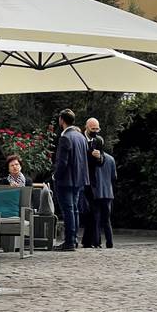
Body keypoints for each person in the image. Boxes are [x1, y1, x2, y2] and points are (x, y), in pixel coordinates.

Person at [54, 108, 89, 251]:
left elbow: (63, 162)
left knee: (68, 210)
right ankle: (73, 239)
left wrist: (55, 175)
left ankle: (69, 241)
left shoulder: (65, 137)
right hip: (79, 179)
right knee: (74, 209)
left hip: (66, 179)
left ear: (62, 120)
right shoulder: (81, 137)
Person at [81, 118, 105, 249]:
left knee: (95, 210)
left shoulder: (99, 141)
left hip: (92, 180)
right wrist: (90, 154)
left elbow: (102, 162)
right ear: (87, 127)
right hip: (80, 178)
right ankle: (84, 239)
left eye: (97, 129)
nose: (95, 132)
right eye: (93, 129)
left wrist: (99, 157)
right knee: (83, 210)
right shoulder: (80, 138)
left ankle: (94, 241)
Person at [93, 143, 118, 249]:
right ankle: (109, 242)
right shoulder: (111, 159)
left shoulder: (93, 160)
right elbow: (114, 176)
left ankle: (97, 242)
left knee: (96, 219)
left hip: (96, 192)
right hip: (108, 192)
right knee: (107, 220)